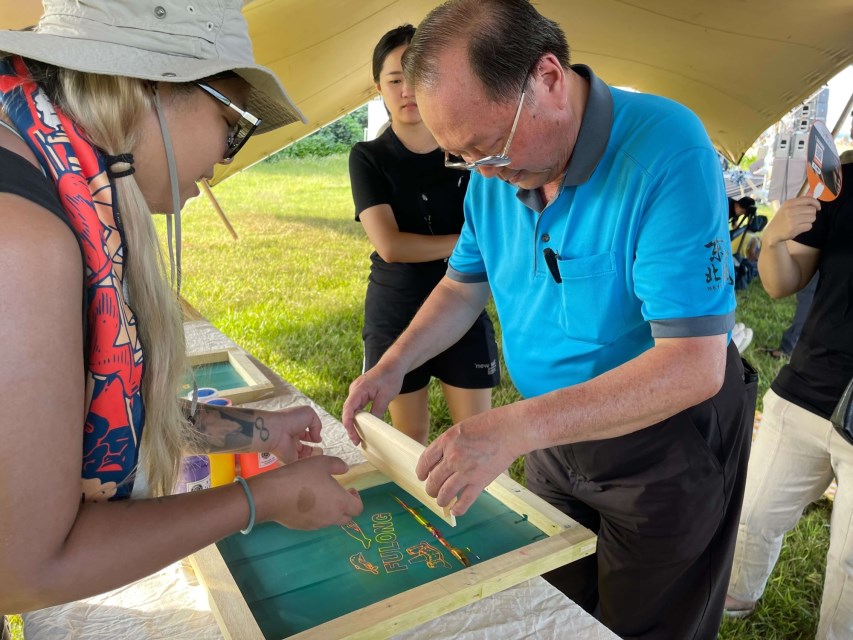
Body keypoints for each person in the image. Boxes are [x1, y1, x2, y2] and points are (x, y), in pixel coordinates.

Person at [342, 1, 755, 638]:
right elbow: (460, 288)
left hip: (664, 446)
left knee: (644, 623)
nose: (487, 174)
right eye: (463, 158)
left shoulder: (666, 148)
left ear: (549, 78)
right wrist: (395, 364)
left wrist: (513, 428)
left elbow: (694, 365)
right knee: (552, 610)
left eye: (488, 148)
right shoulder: (491, 173)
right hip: (549, 438)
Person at [0, 0, 362, 624]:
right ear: (150, 89)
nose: (227, 153)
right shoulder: (22, 240)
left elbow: (75, 418)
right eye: (233, 121)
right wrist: (258, 500)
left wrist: (261, 432)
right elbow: (26, 571)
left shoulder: (39, 165)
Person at [348, 25, 499, 444]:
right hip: (396, 310)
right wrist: (471, 244)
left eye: (417, 77)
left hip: (462, 308)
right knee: (407, 441)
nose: (407, 90)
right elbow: (391, 246)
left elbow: (496, 220)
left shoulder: (466, 151)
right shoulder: (368, 156)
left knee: (475, 437)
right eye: (395, 80)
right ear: (378, 86)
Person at [725, 163, 853, 638]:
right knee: (753, 514)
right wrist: (775, 239)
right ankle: (735, 597)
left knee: (848, 560)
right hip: (806, 388)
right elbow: (782, 282)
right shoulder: (842, 179)